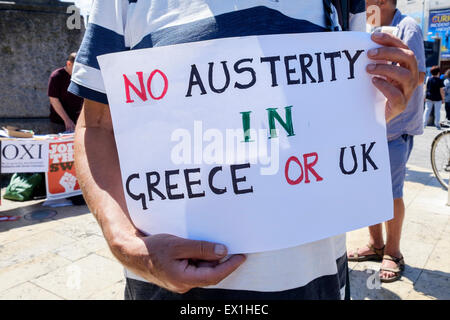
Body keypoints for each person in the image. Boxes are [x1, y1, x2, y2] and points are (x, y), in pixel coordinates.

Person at [69, 0, 419, 300]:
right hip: (169, 290)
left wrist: (375, 108)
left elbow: (341, 109)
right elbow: (96, 126)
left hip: (315, 283)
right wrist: (125, 243)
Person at [348, 0, 426, 283]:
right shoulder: (366, 27)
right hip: (368, 128)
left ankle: (393, 252)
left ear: (381, 2)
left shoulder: (408, 27)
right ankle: (375, 244)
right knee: (369, 190)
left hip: (394, 129)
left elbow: (417, 76)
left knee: (391, 192)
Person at [47, 52, 83, 134]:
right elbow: (54, 100)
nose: (79, 71)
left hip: (79, 122)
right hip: (59, 123)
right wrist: (67, 120)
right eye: (76, 68)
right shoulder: (56, 76)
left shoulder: (81, 77)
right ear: (69, 63)